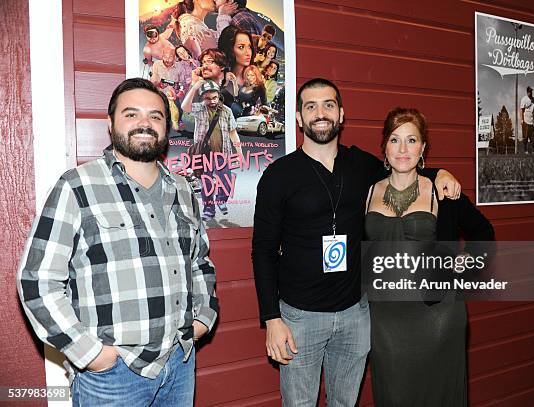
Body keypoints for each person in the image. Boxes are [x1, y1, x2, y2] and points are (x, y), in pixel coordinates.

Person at [251, 78, 461, 406]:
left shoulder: (362, 165)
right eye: (311, 106)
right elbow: (262, 250)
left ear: (341, 114)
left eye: (329, 105)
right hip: (300, 319)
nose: (320, 112)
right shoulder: (279, 175)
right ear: (298, 118)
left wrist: (441, 173)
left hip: (356, 315)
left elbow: (403, 166)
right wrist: (271, 319)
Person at [17, 78, 218, 406]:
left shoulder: (184, 189)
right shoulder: (77, 186)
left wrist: (202, 319)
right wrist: (92, 354)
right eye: (131, 114)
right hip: (112, 376)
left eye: (155, 116)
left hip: (180, 364)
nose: (145, 123)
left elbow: (200, 262)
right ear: (110, 125)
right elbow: (37, 280)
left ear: (167, 128)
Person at [364, 107, 494, 406]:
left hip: (437, 318)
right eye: (395, 140)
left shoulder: (443, 191)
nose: (403, 149)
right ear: (384, 145)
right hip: (384, 322)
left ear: (423, 147)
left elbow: (483, 231)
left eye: (412, 140)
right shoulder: (367, 190)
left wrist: (467, 265)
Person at [182, 79, 243, 221]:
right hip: (204, 154)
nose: (212, 101)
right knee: (207, 183)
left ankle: (221, 200)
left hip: (223, 153)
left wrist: (239, 153)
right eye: (208, 98)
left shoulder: (226, 111)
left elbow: (233, 132)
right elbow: (185, 107)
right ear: (203, 97)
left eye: (214, 97)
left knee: (226, 182)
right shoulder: (200, 109)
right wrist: (195, 87)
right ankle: (209, 209)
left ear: (218, 95)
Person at [218, 25, 254, 89]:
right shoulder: (218, 78)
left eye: (249, 47)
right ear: (229, 49)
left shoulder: (253, 81)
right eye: (241, 47)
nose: (248, 53)